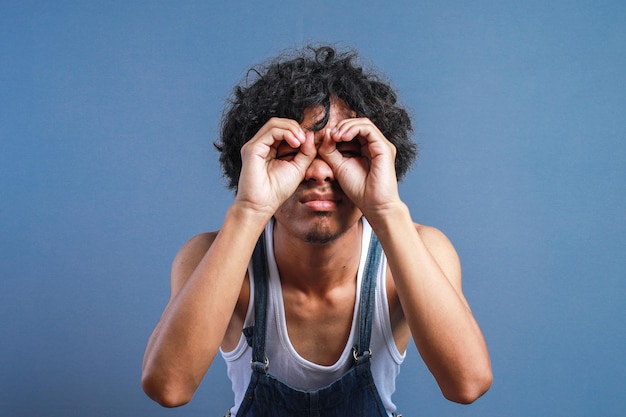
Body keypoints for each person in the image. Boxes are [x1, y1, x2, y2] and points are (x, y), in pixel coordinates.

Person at [141, 44, 492, 416]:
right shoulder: (209, 257)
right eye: (291, 151)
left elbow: (466, 384)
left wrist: (387, 209)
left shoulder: (420, 250)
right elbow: (169, 388)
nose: (320, 171)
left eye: (346, 149)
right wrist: (249, 210)